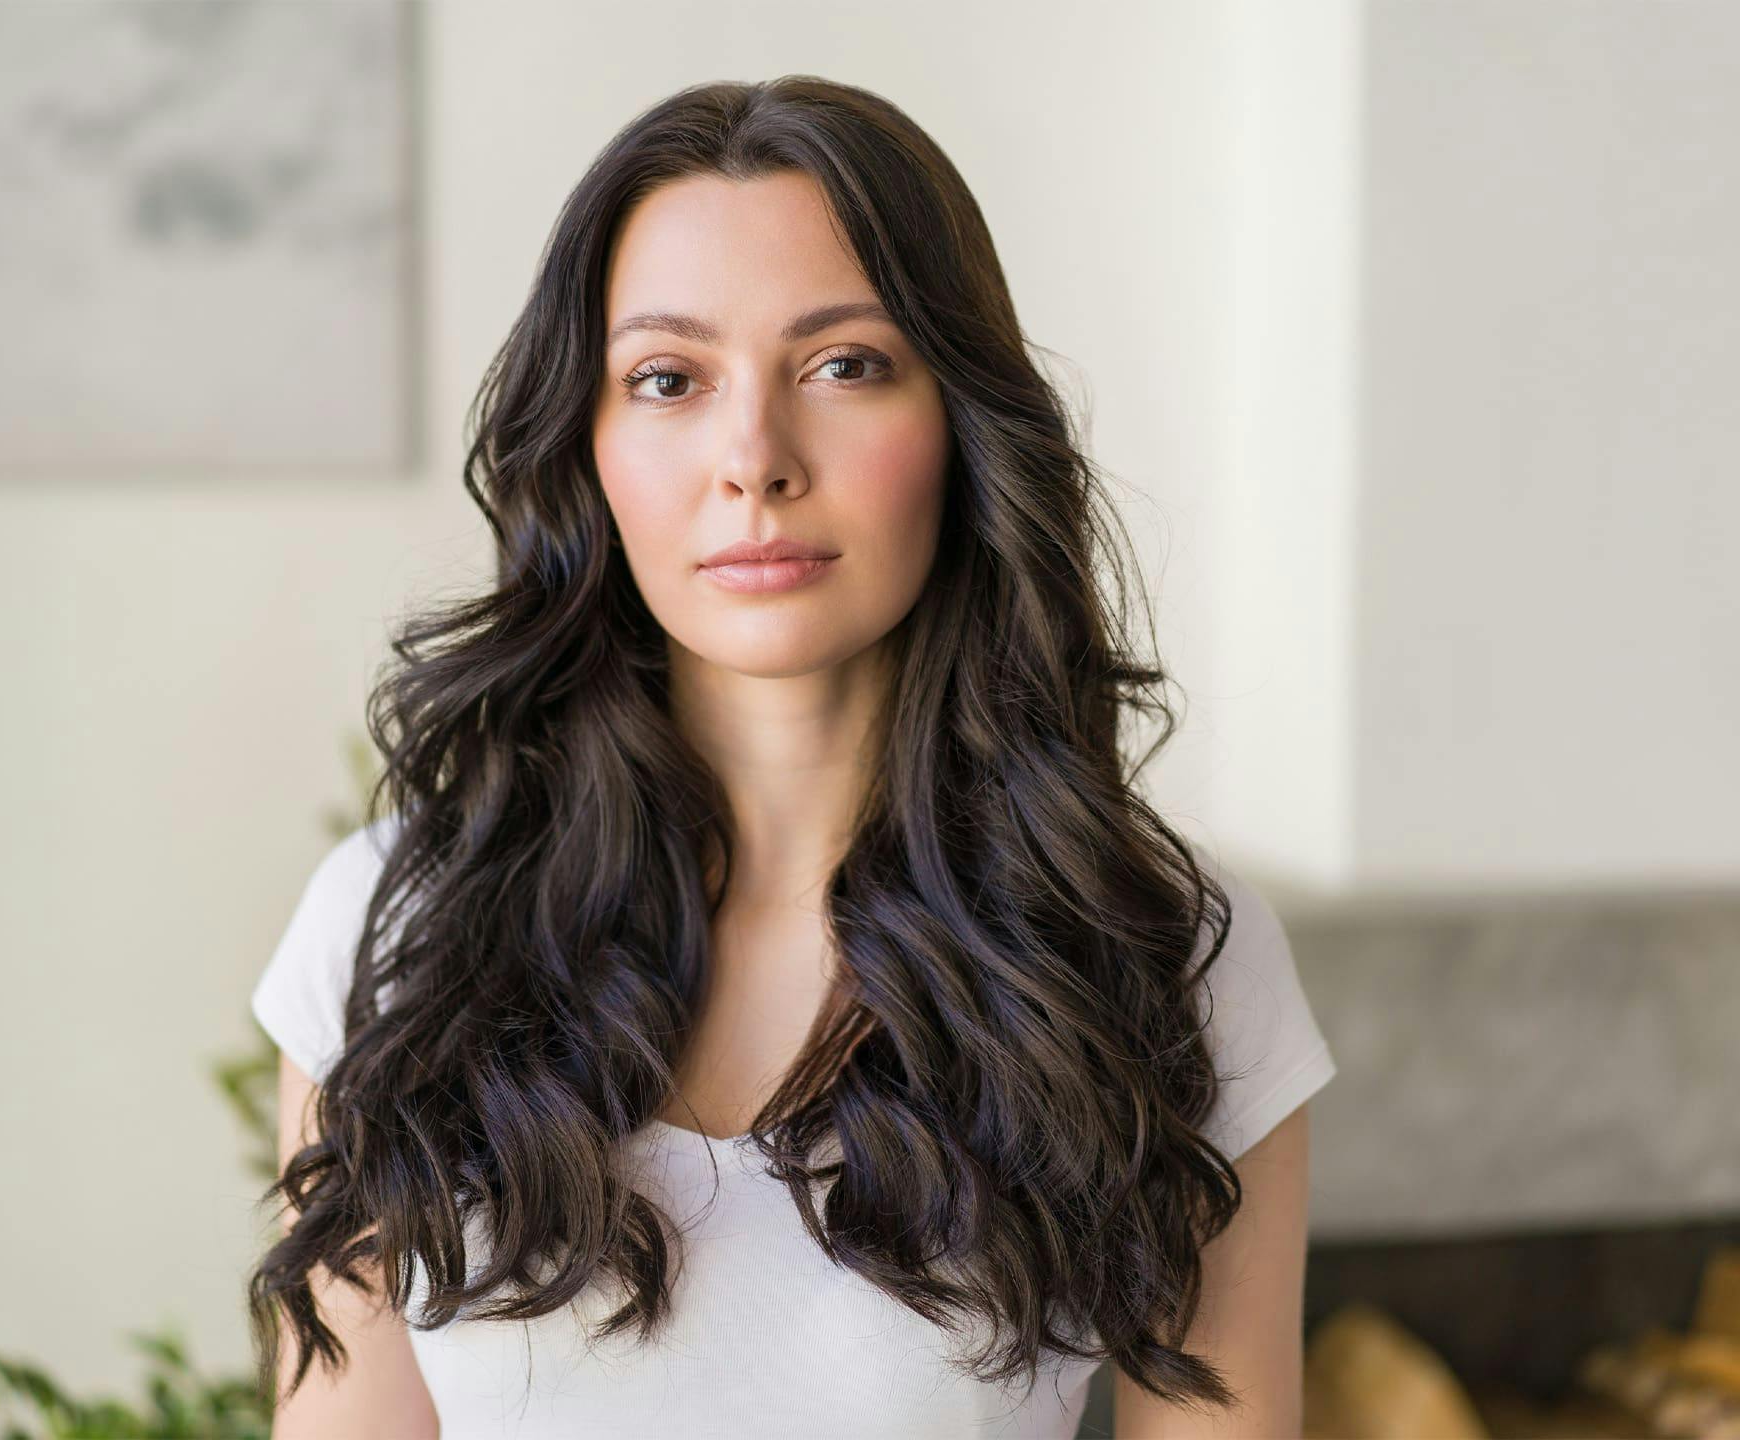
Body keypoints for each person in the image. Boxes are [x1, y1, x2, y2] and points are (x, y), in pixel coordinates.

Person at [246, 74, 1337, 1440]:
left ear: (961, 422)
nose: (753, 459)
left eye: (845, 365)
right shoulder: (393, 929)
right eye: (668, 380)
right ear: (587, 446)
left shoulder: (1161, 953)